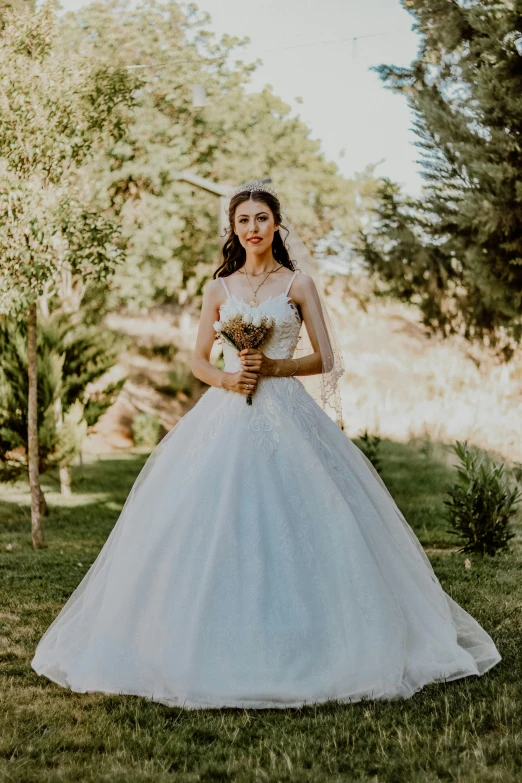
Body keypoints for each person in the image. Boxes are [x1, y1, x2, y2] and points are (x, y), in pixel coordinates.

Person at [31, 182, 501, 710]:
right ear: (233, 230)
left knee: (309, 515)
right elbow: (198, 362)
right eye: (243, 221)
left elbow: (326, 359)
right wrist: (229, 380)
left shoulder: (298, 284)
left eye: (261, 218)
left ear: (276, 224)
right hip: (227, 410)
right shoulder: (219, 289)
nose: (252, 228)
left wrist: (274, 366)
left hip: (288, 413)